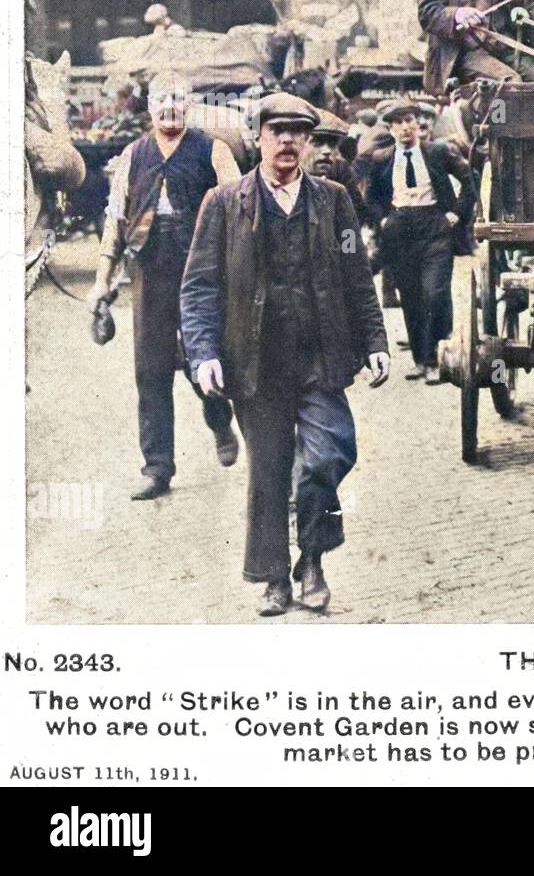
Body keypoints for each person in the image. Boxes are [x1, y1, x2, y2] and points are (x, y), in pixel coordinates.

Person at [180, 93, 390, 616]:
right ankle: (276, 577)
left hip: (321, 356)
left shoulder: (333, 199)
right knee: (269, 471)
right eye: (278, 131)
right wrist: (204, 352)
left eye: (300, 132)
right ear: (258, 138)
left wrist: (376, 342)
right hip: (256, 362)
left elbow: (356, 277)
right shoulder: (225, 204)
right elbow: (200, 286)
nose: (290, 141)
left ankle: (312, 558)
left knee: (328, 455)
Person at [86, 70, 242, 500]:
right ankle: (157, 468)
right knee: (150, 369)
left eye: (178, 98)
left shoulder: (215, 152)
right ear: (149, 105)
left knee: (203, 361)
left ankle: (219, 417)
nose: (170, 107)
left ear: (189, 104)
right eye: (161, 99)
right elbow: (115, 220)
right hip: (149, 270)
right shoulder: (132, 156)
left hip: (202, 273)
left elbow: (240, 213)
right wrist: (102, 281)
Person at [364, 100, 475, 383]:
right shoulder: (382, 158)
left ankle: (438, 359)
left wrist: (456, 214)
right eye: (398, 123)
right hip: (401, 232)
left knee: (435, 293)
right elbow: (372, 198)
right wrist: (384, 219)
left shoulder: (437, 152)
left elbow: (469, 178)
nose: (405, 127)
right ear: (390, 128)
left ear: (417, 123)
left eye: (409, 120)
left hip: (435, 228)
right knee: (411, 298)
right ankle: (420, 360)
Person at [307, 109, 367, 223]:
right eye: (317, 143)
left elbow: (355, 216)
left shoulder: (340, 169)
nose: (327, 151)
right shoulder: (282, 172)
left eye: (332, 144)